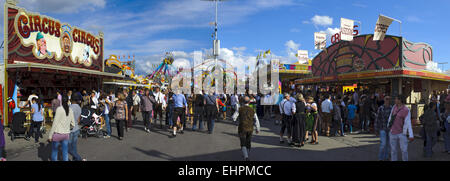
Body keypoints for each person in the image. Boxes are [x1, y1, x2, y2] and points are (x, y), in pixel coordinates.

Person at [48, 95, 75, 161]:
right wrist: (68, 127)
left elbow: (55, 123)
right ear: (68, 101)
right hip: (66, 134)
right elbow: (73, 124)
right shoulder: (70, 110)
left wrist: (50, 135)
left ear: (61, 101)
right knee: (65, 152)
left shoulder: (59, 109)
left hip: (57, 133)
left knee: (55, 152)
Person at [387, 95, 414, 161]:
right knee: (393, 151)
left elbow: (408, 123)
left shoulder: (406, 110)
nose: (395, 100)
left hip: (402, 133)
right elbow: (390, 117)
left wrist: (411, 135)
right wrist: (388, 126)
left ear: (400, 100)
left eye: (396, 99)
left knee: (404, 150)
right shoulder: (394, 107)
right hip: (392, 132)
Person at [236, 96, 260, 161]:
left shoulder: (240, 109)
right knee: (248, 141)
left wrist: (237, 119)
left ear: (243, 102)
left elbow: (233, 117)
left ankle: (246, 156)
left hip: (242, 127)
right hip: (250, 128)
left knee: (243, 142)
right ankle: (247, 154)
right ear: (249, 102)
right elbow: (256, 120)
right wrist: (257, 129)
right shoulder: (252, 110)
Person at [374, 96, 392, 161]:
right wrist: (376, 129)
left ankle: (387, 157)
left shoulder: (391, 108)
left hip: (390, 129)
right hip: (382, 128)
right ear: (384, 100)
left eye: (389, 99)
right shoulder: (381, 108)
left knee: (388, 144)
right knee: (383, 144)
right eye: (386, 99)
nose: (387, 100)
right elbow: (377, 119)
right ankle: (381, 158)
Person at [68, 95, 86, 161]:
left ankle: (79, 159)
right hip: (76, 128)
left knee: (68, 148)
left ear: (71, 100)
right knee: (74, 146)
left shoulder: (69, 108)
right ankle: (75, 159)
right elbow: (78, 120)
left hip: (70, 130)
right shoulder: (79, 107)